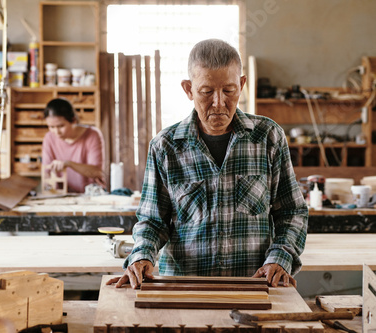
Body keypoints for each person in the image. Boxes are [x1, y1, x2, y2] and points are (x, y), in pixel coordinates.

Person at [107, 39, 308, 289]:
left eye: (229, 90)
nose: (218, 103)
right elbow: (153, 220)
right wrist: (142, 255)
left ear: (242, 85)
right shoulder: (165, 146)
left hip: (253, 286)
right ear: (189, 89)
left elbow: (291, 212)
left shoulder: (268, 137)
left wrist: (281, 257)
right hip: (182, 288)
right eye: (206, 92)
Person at [42, 98, 105, 193]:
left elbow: (96, 172)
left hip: (90, 195)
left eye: (61, 126)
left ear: (73, 120)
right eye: (51, 127)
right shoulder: (49, 138)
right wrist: (49, 191)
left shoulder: (92, 135)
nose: (56, 132)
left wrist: (69, 163)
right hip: (62, 196)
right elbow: (47, 172)